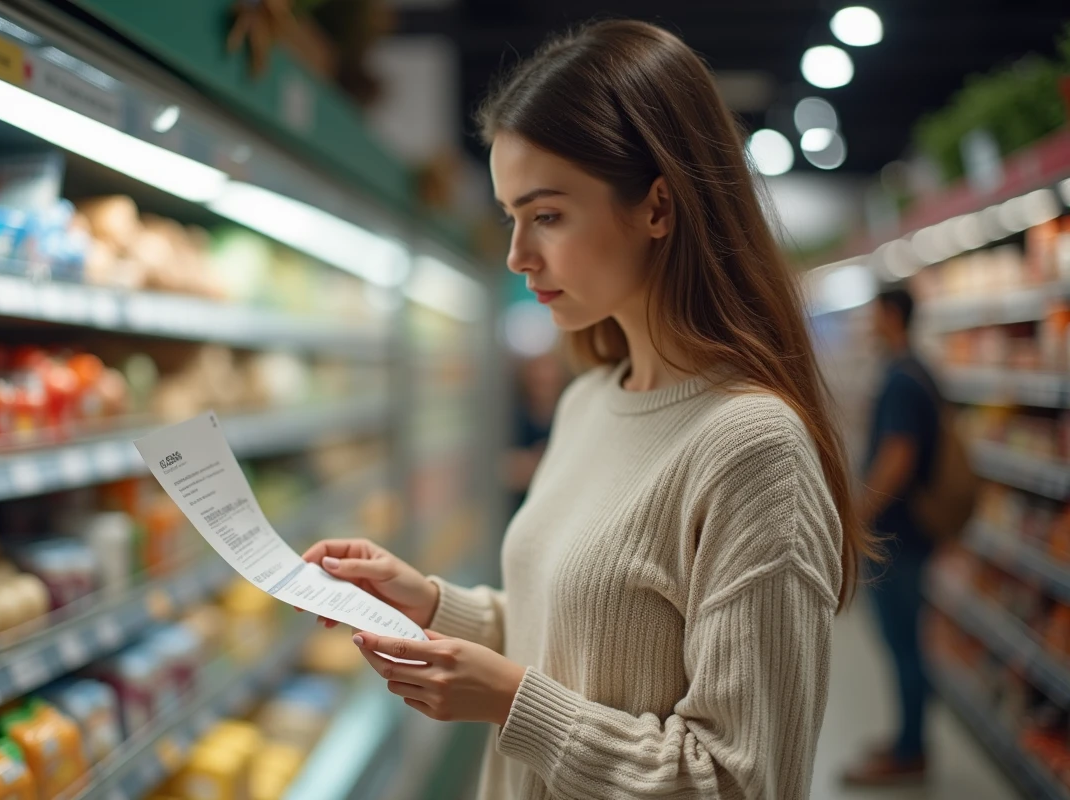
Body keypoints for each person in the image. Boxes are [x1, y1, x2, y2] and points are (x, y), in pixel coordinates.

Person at [302, 20, 879, 799]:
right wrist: (432, 604)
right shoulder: (587, 403)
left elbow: (743, 780)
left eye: (546, 215)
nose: (517, 255)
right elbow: (575, 640)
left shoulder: (753, 450)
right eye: (512, 216)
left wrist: (510, 702)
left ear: (658, 208)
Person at [843, 287, 939, 786]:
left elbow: (897, 459)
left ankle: (909, 750)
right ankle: (909, 737)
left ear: (891, 315)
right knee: (906, 641)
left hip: (897, 537)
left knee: (903, 644)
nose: (868, 323)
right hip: (911, 535)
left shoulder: (901, 379)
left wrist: (857, 517)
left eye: (872, 313)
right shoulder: (916, 368)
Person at [504, 351, 570, 513]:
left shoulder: (571, 413)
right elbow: (505, 469)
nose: (544, 377)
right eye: (538, 372)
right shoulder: (513, 418)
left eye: (549, 370)